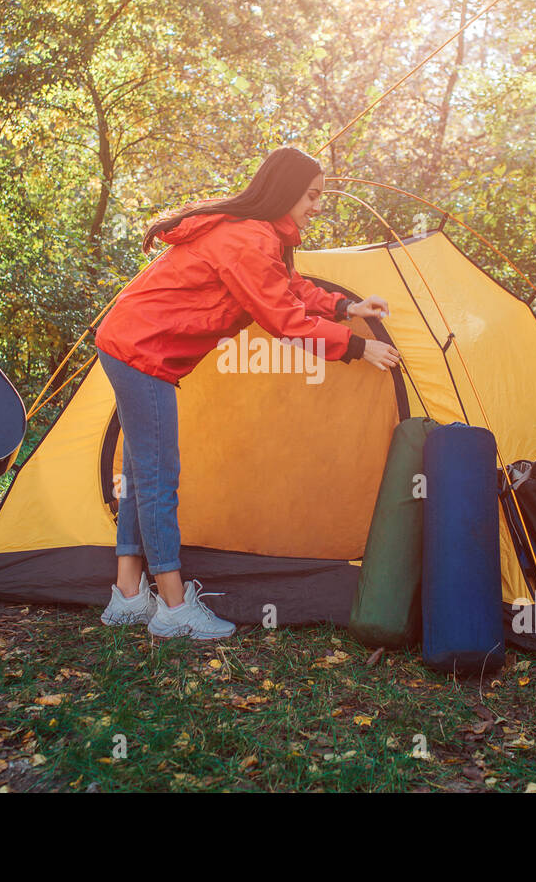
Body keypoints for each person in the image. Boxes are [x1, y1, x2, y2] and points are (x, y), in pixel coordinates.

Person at [93, 147, 401, 639]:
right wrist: (356, 347)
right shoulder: (246, 237)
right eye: (312, 195)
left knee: (137, 472)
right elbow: (283, 319)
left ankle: (128, 595)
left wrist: (346, 305)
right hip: (140, 351)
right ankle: (173, 608)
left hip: (134, 345)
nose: (317, 206)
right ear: (286, 191)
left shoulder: (259, 236)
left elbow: (289, 287)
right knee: (156, 477)